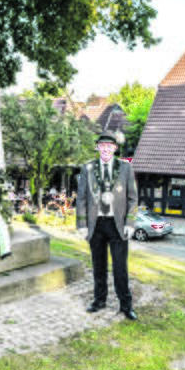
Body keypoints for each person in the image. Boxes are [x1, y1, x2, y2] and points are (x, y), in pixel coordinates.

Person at [76, 130, 138, 321]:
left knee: (120, 268)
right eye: (102, 145)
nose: (105, 149)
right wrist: (82, 224)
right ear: (98, 147)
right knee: (98, 266)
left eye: (109, 146)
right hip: (96, 225)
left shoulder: (126, 168)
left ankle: (126, 305)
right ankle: (99, 300)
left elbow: (133, 198)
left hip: (117, 225)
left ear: (115, 148)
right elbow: (81, 198)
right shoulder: (87, 168)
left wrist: (130, 222)